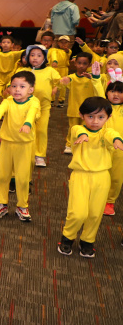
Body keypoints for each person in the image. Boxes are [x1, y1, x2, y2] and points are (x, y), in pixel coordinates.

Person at [58, 97, 123, 258]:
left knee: (95, 213)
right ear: (82, 116)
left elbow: (113, 135)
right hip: (81, 176)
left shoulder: (106, 132)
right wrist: (83, 136)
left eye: (101, 117)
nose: (95, 121)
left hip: (102, 178)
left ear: (108, 118)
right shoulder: (76, 129)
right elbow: (78, 131)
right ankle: (68, 237)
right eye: (90, 116)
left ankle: (88, 240)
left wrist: (118, 141)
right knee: (78, 212)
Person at [0, 71, 41, 222]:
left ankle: (22, 206)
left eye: (22, 86)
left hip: (24, 145)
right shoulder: (8, 101)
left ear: (31, 89)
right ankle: (1, 204)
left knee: (22, 179)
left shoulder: (34, 102)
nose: (17, 89)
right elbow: (0, 109)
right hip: (7, 144)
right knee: (2, 176)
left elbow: (32, 113)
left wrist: (28, 124)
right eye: (14, 86)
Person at [22, 45, 63, 167]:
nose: (35, 58)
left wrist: (60, 84)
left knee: (41, 130)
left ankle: (39, 155)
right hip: (25, 107)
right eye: (32, 55)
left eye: (39, 55)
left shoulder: (50, 70)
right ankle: (26, 153)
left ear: (44, 58)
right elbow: (13, 84)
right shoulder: (22, 71)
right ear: (28, 57)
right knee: (26, 130)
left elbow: (59, 82)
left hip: (44, 106)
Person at [58, 53, 99, 154]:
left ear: (89, 65)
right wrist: (61, 82)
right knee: (72, 128)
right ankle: (69, 145)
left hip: (89, 109)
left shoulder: (92, 78)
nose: (81, 65)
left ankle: (84, 145)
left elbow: (98, 84)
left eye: (84, 63)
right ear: (75, 63)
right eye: (79, 63)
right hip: (74, 108)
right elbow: (64, 83)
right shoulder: (71, 77)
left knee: (87, 127)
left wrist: (93, 78)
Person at [103, 78, 123, 216]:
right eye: (112, 91)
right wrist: (97, 79)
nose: (116, 94)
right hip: (102, 147)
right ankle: (97, 198)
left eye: (120, 92)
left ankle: (110, 201)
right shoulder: (103, 107)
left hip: (120, 150)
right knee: (100, 174)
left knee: (116, 176)